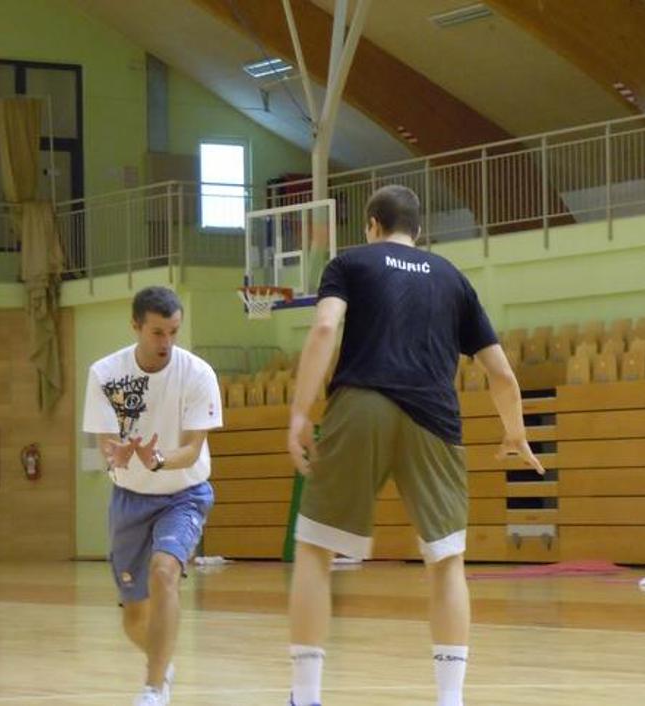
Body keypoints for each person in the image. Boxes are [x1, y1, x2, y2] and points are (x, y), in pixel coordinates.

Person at [285, 184, 544, 706]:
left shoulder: (349, 262)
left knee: (314, 550)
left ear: (372, 225)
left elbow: (323, 329)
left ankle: (305, 697)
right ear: (418, 231)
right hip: (434, 415)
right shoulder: (453, 278)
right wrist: (514, 431)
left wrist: (298, 412)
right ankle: (450, 699)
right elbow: (500, 372)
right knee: (447, 561)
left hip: (361, 404)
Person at [82, 286, 223, 705]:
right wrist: (118, 455)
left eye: (174, 332)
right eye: (158, 333)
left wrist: (157, 459)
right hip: (129, 500)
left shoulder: (198, 374)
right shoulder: (105, 374)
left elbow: (193, 450)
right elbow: (106, 447)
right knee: (133, 618)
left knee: (165, 571)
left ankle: (153, 687)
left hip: (185, 492)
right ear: (136, 326)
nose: (166, 343)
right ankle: (162, 663)